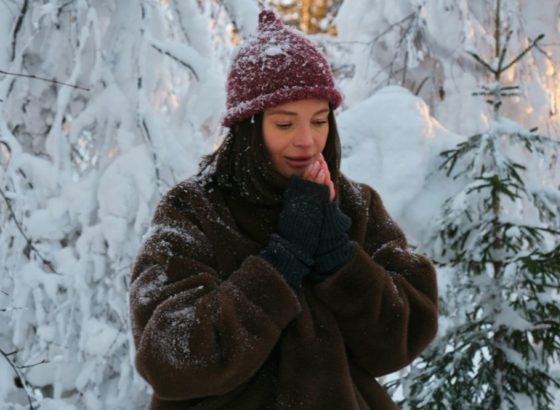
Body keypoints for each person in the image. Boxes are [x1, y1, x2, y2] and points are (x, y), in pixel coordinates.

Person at [129, 9, 438, 410]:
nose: (307, 141)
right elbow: (170, 356)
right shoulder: (194, 211)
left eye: (320, 120)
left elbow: (405, 334)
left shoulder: (354, 205)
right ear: (249, 127)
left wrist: (338, 259)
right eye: (285, 124)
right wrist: (281, 261)